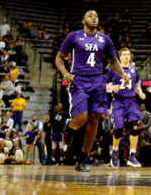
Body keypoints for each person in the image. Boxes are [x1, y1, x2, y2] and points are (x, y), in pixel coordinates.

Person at [55, 10, 130, 172]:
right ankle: (69, 125)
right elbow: (59, 57)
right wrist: (65, 73)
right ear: (83, 21)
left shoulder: (105, 39)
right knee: (81, 118)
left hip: (97, 81)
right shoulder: (73, 36)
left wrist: (123, 74)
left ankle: (82, 160)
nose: (94, 17)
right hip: (79, 80)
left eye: (96, 15)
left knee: (94, 120)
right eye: (90, 15)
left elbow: (113, 60)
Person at [106, 47, 146, 168]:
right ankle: (115, 152)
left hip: (131, 102)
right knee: (119, 129)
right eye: (124, 54)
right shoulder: (113, 69)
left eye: (128, 54)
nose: (127, 56)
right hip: (118, 102)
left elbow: (137, 85)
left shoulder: (134, 70)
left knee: (135, 127)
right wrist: (112, 88)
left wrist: (141, 92)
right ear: (120, 57)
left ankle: (132, 156)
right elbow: (104, 84)